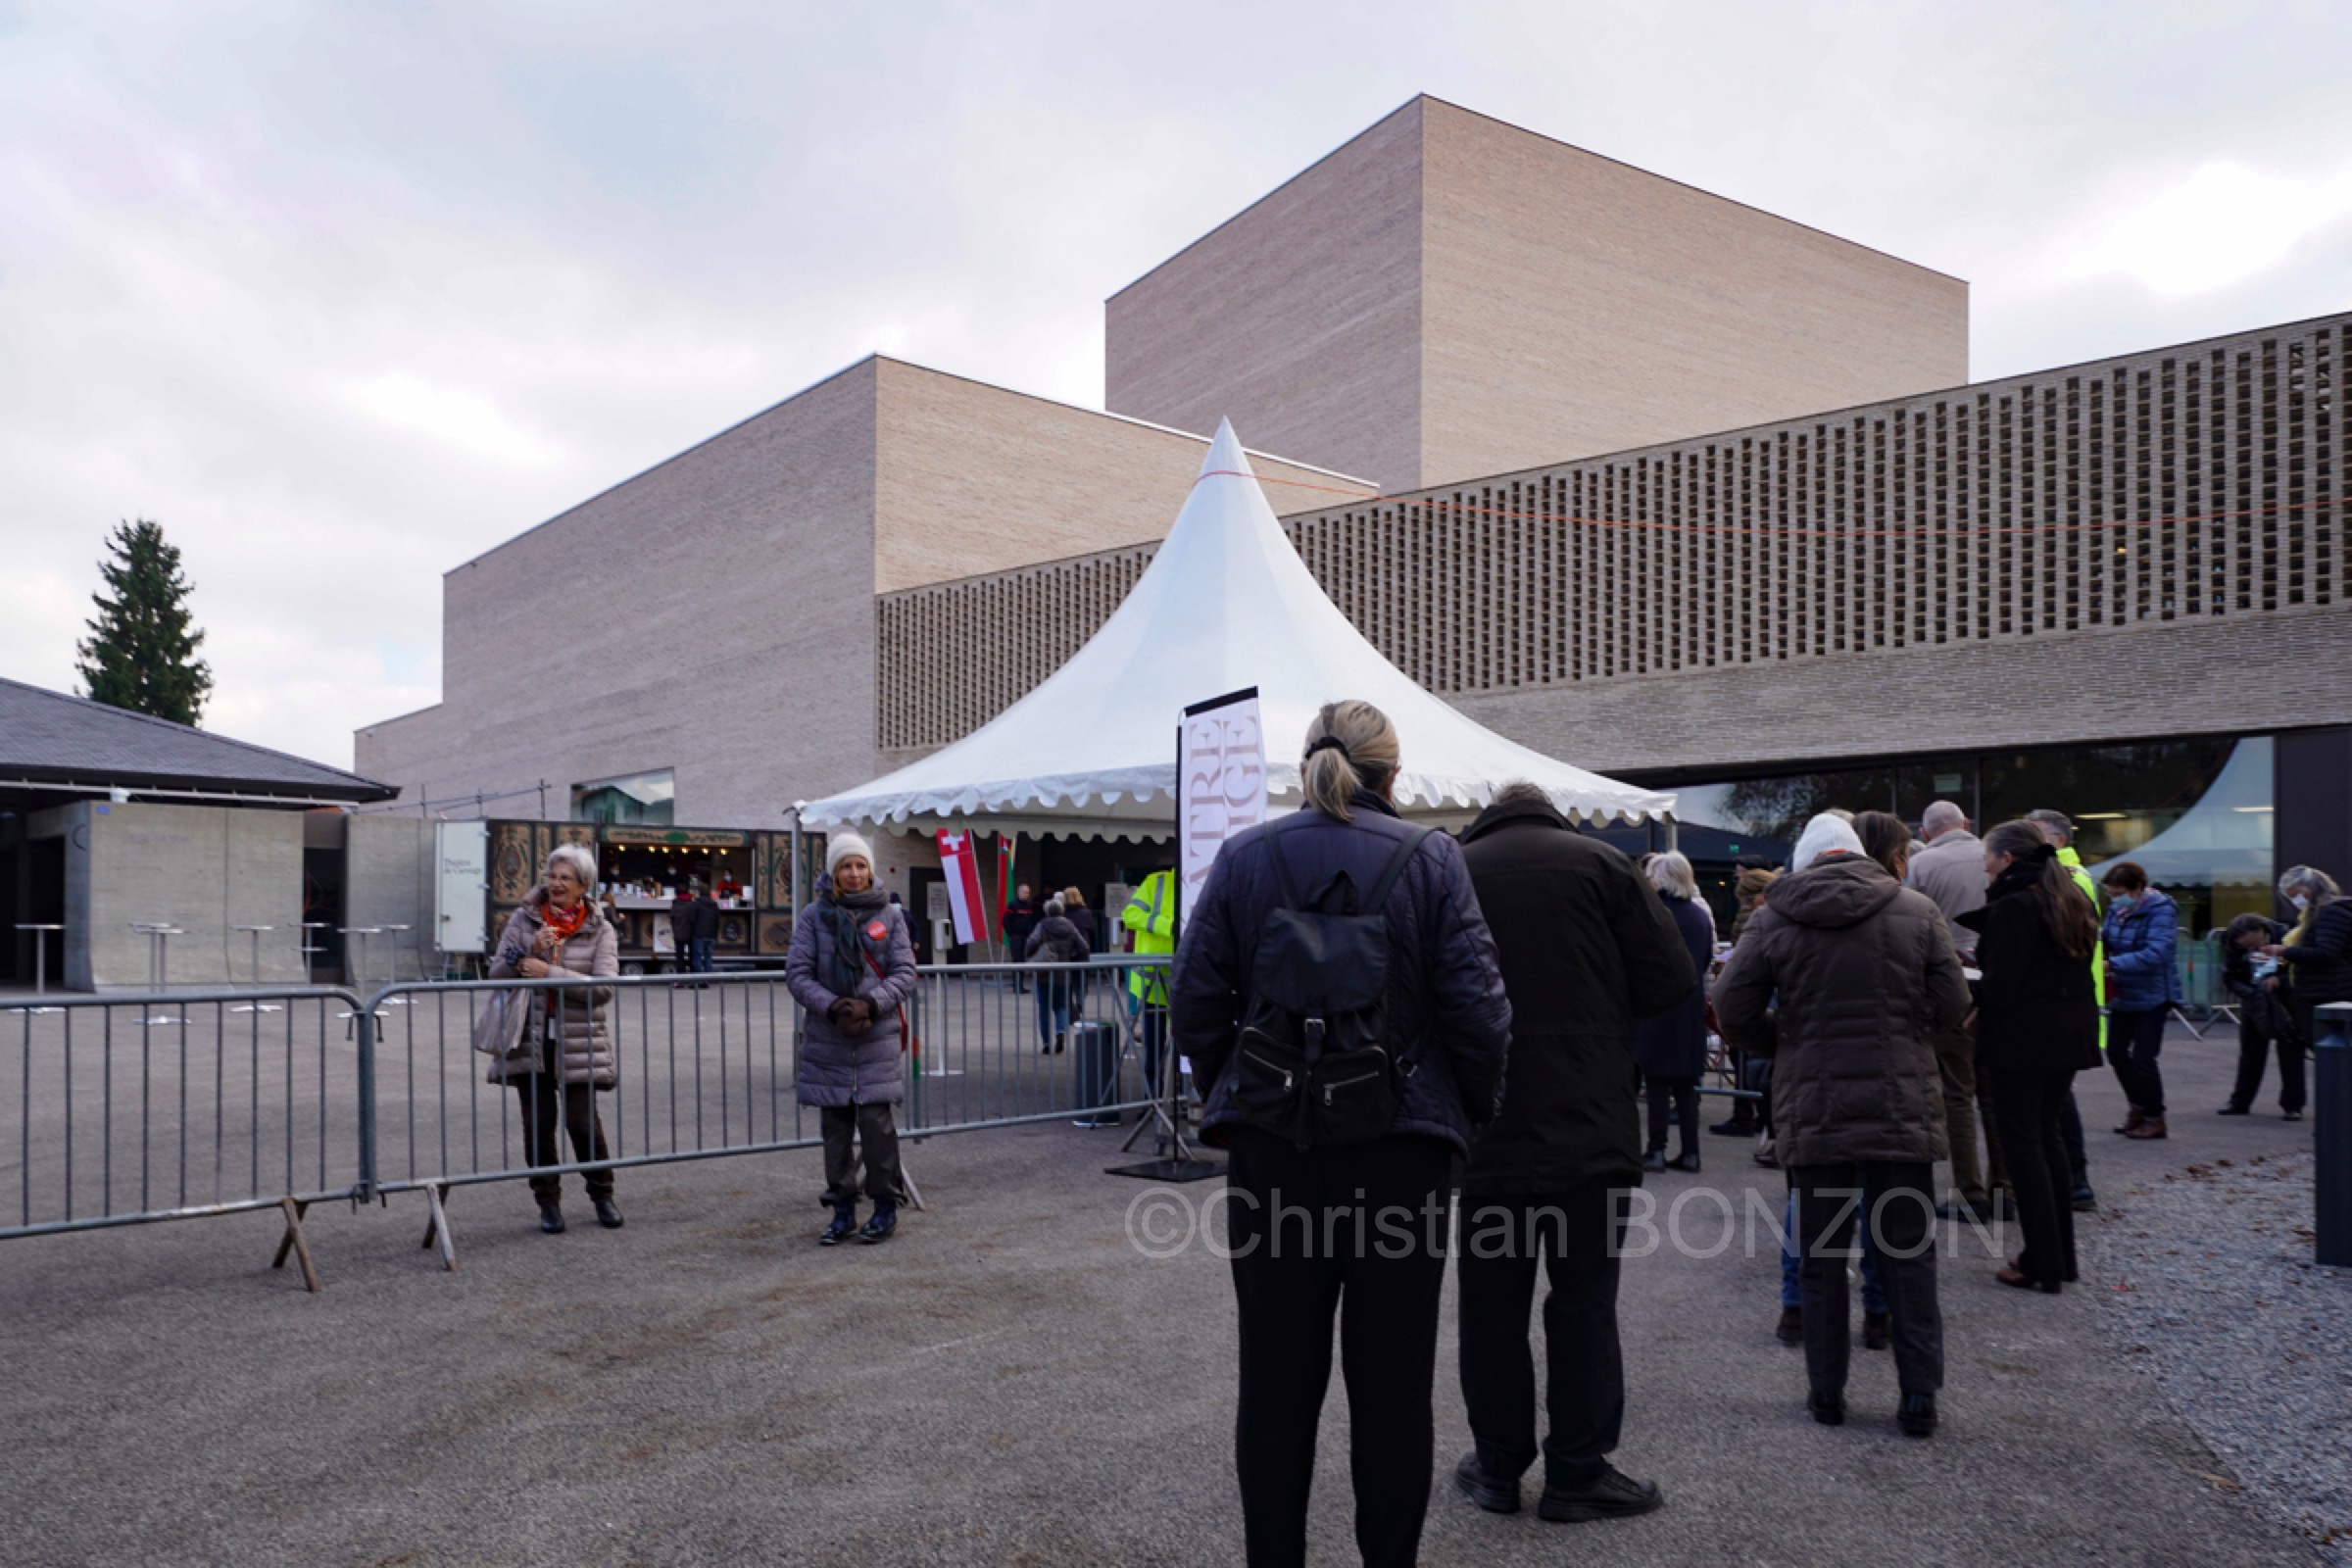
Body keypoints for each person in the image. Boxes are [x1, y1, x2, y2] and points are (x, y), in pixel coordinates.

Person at [1172, 699, 1511, 1567]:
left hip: (1276, 1150)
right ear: (1393, 775)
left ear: (1307, 765)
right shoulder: (1432, 857)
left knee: (1276, 1384)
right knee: (1393, 1388)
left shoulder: (1246, 855)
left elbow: (1196, 1000)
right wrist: (1464, 1118)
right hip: (1401, 1152)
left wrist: (1241, 1096)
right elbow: (1481, 1014)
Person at [1451, 783, 1690, 1525]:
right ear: (1551, 814)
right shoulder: (1603, 865)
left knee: (1491, 1306)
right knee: (1584, 1302)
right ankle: (1577, 1471)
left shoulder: (1454, 867)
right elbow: (1672, 978)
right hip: (1590, 1121)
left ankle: (1496, 1467)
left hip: (1488, 1123)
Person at [1714, 812, 1970, 1438]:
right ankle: (1918, 1399)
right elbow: (1955, 1004)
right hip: (1900, 1106)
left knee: (1821, 1258)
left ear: (1804, 861)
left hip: (1817, 1107)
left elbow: (1730, 1006)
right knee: (1909, 1254)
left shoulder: (1773, 917)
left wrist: (1787, 1044)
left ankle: (1826, 1394)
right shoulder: (1914, 910)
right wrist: (1910, 1041)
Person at [1960, 820, 2103, 1295]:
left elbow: (2002, 987)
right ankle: (2059, 1256)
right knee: (2049, 1140)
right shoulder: (2067, 897)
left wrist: (1970, 987)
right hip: (2067, 1034)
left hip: (2023, 1040)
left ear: (2007, 859)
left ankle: (2041, 1260)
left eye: (1986, 856)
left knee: (2024, 1147)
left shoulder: (2016, 906)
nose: (1983, 864)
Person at [787, 833, 919, 1246]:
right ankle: (842, 1209)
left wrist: (869, 1004)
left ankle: (883, 1208)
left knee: (878, 1129)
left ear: (870, 869)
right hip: (830, 1037)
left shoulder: (891, 915)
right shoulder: (813, 916)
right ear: (834, 872)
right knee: (836, 1130)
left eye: (860, 865)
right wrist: (834, 1007)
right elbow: (798, 973)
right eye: (846, 866)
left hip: (876, 1035)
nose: (855, 873)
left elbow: (905, 972)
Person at [486, 844, 623, 1234]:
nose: (556, 883)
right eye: (552, 876)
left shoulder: (601, 927)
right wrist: (529, 950)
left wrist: (548, 972)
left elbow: (604, 988)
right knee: (539, 1124)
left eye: (566, 878)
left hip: (579, 1039)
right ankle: (548, 1203)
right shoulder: (523, 919)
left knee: (582, 1125)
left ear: (583, 885)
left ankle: (603, 1195)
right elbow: (496, 973)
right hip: (528, 1037)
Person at [1903, 802, 2006, 1223]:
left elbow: (1912, 929)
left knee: (1957, 1093)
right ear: (1965, 825)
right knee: (1993, 1090)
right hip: (1998, 981)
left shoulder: (1923, 866)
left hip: (1951, 985)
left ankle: (1970, 1189)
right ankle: (2006, 1184)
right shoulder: (1993, 856)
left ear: (1926, 834)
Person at [2026, 809, 2103, 1211]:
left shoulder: (2070, 879)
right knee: (2057, 1098)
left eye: (2032, 834)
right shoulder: (2067, 877)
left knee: (2058, 1101)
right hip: (2069, 1000)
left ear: (2055, 839)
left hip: (2064, 1002)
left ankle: (2076, 1178)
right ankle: (2073, 1178)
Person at [1635, 851, 1712, 1174]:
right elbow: (1706, 959)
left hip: (1657, 1005)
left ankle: (1656, 1149)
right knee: (1686, 1084)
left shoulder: (1652, 913)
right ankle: (1691, 1152)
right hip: (1691, 1005)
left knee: (1656, 1083)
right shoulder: (1700, 917)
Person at [2098, 861, 2180, 1141]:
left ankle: (2155, 1117)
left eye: (2117, 892)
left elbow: (2158, 951)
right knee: (2116, 1053)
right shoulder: (2116, 909)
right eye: (2109, 894)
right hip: (2123, 992)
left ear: (2136, 888)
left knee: (2144, 1058)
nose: (2113, 898)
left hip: (2153, 994)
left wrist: (2112, 965)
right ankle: (2138, 1108)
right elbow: (2105, 937)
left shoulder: (2161, 909)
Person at [1709, 866, 1779, 1140]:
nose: (1748, 907)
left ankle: (1765, 1128)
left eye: (1750, 900)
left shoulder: (1767, 921)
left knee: (1762, 1073)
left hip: (1766, 1007)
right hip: (1766, 1006)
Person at [2218, 912, 2303, 1118]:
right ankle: (2240, 1101)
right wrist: (2250, 992)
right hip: (2254, 1000)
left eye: (2255, 944)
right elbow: (2229, 976)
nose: (2252, 950)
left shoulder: (2286, 935)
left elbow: (2298, 968)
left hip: (2286, 1001)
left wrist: (2280, 980)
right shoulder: (2230, 943)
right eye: (2245, 947)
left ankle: (2293, 1105)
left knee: (2290, 1052)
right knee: (2250, 1053)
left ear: (2263, 930)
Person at [2270, 866, 2352, 1058]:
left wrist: (2284, 951)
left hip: (2330, 993)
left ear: (2310, 889)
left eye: (2296, 894)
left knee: (2334, 1057)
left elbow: (2326, 953)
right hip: (2326, 991)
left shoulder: (2330, 913)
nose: (2295, 901)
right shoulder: (2320, 914)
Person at [1123, 867, 1178, 1104]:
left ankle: (1181, 1099)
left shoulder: (1205, 880)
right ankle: (1151, 1100)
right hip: (1153, 983)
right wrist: (1168, 926)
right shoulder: (1156, 882)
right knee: (1154, 1048)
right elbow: (1130, 915)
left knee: (1185, 1048)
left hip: (1185, 980)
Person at [1024, 896, 1089, 1053]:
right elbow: (1084, 947)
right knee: (1061, 1005)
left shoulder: (1043, 925)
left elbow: (1032, 941)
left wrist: (1029, 955)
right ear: (1062, 910)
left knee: (1044, 1008)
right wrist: (1072, 955)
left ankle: (1046, 1044)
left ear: (1047, 911)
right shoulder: (1070, 926)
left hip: (1045, 971)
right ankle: (1060, 1032)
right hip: (1063, 971)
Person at [1061, 886, 1097, 1018]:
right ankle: (1080, 1005)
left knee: (1067, 983)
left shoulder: (1063, 914)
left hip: (1066, 952)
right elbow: (1092, 929)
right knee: (1081, 982)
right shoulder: (1085, 913)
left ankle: (1070, 1009)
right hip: (1082, 951)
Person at [1001, 883, 1041, 989]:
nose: (1027, 894)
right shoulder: (1012, 905)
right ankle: (1016, 986)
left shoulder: (1029, 906)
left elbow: (1032, 920)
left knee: (1023, 960)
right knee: (1017, 960)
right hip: (1016, 937)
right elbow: (1005, 920)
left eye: (1028, 893)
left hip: (1026, 937)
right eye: (1025, 892)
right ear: (1019, 893)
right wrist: (1011, 933)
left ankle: (1020, 986)